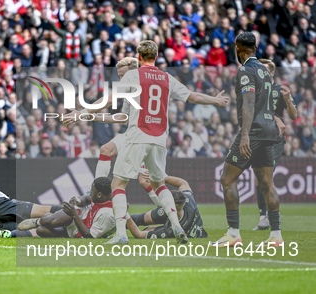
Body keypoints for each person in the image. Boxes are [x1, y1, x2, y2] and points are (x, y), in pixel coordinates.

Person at [65, 40, 228, 245]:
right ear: (157, 56)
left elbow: (108, 99)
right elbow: (192, 96)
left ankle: (121, 234)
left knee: (118, 185)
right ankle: (177, 226)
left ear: (139, 58)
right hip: (160, 139)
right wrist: (215, 100)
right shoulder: (167, 77)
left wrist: (83, 112)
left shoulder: (134, 75)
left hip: (137, 136)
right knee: (159, 185)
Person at [210, 32, 283, 248]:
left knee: (227, 180)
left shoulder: (246, 70)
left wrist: (244, 135)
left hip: (254, 131)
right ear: (256, 47)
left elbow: (249, 103)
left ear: (238, 48)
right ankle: (276, 236)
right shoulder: (265, 70)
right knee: (267, 184)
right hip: (270, 130)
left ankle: (233, 233)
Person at [252, 59, 297, 231]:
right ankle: (264, 216)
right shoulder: (254, 90)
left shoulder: (280, 90)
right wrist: (276, 118)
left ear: (271, 73)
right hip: (258, 136)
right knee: (259, 177)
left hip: (275, 138)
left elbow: (293, 115)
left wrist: (288, 100)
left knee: (266, 176)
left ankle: (271, 216)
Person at [18, 177, 115, 239]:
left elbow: (89, 236)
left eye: (92, 190)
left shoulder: (107, 214)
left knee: (41, 231)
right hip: (80, 218)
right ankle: (38, 221)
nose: (90, 192)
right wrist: (78, 200)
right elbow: (86, 199)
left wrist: (75, 216)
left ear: (99, 194)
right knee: (48, 220)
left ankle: (55, 225)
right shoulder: (101, 197)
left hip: (80, 228)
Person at [126, 174, 207, 239]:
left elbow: (139, 234)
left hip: (183, 227)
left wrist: (125, 214)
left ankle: (117, 223)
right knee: (143, 218)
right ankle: (115, 223)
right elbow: (183, 183)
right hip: (179, 216)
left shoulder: (170, 231)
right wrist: (161, 177)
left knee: (147, 230)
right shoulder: (188, 200)